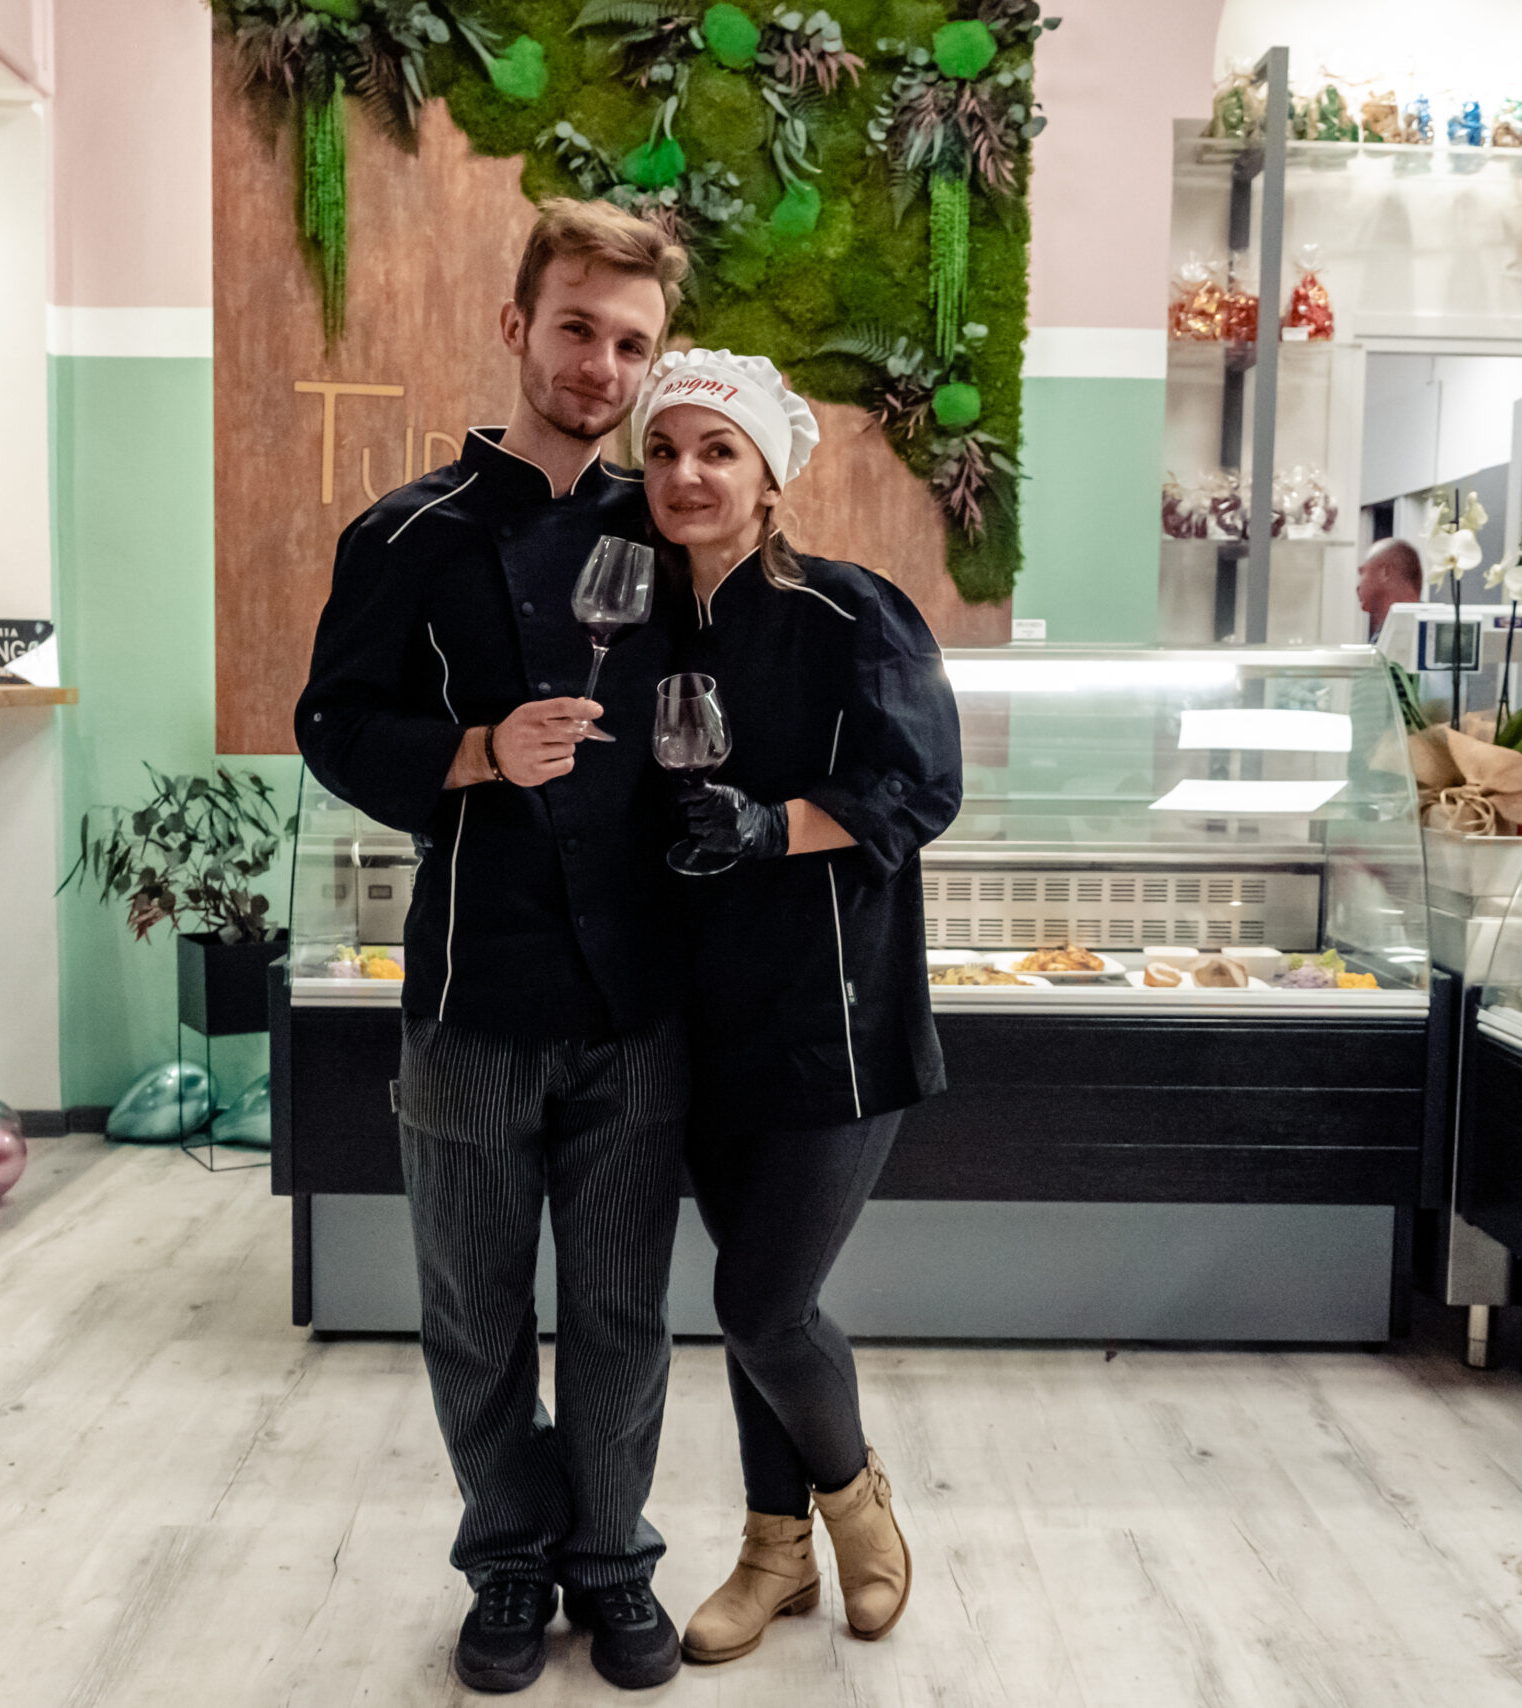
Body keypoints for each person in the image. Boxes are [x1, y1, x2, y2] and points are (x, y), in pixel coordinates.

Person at [294, 201, 692, 1695]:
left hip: (635, 1002)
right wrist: (474, 750)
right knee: (472, 1314)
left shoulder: (672, 533)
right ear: (517, 324)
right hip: (468, 996)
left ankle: (613, 1561)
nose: (601, 367)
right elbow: (332, 724)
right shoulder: (405, 536)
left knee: (622, 1313)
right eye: (577, 328)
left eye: (632, 345)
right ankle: (510, 1561)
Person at [633, 349, 964, 1665]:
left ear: (769, 476)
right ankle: (774, 1556)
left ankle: (855, 1508)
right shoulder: (640, 629)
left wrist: (774, 827)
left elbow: (921, 787)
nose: (687, 474)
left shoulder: (849, 611)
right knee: (747, 1298)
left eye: (717, 450)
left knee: (765, 1304)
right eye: (663, 451)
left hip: (834, 1016)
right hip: (698, 1020)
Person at [1357, 536, 1423, 640]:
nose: (1358, 586)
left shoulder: (1424, 635)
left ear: (1384, 572)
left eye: (1363, 572)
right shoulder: (1386, 634)